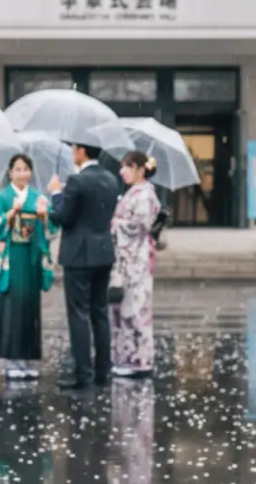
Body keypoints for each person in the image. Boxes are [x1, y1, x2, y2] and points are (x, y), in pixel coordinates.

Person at [46, 143, 121, 390]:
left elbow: (61, 217)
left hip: (79, 254)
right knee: (100, 313)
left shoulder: (77, 181)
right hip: (103, 252)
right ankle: (103, 371)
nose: (71, 153)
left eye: (74, 149)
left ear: (81, 152)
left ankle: (83, 374)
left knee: (78, 313)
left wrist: (57, 193)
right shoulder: (110, 179)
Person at [0, 153, 59, 380]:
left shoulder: (38, 197)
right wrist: (10, 214)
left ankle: (25, 358)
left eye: (26, 169)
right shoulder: (2, 197)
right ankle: (10, 360)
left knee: (29, 306)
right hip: (10, 257)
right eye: (17, 169)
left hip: (30, 256)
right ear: (10, 173)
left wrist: (44, 216)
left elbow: (51, 230)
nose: (22, 173)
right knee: (10, 306)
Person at [109, 151, 161, 379]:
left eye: (127, 166)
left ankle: (139, 359)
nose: (123, 171)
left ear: (140, 169)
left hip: (136, 258)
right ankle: (126, 357)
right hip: (128, 258)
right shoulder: (135, 192)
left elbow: (139, 225)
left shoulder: (145, 194)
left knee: (136, 308)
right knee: (124, 306)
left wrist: (114, 224)